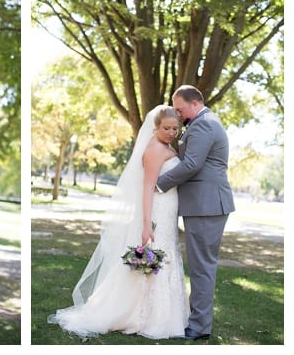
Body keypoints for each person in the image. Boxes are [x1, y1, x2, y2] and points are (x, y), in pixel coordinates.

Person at [47, 104, 189, 339]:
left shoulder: (165, 145)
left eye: (175, 128)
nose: (172, 133)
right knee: (155, 259)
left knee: (167, 256)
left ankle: (162, 313)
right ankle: (140, 314)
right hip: (156, 213)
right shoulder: (154, 149)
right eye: (167, 128)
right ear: (156, 126)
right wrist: (146, 224)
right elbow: (147, 189)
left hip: (167, 211)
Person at [156, 85, 235, 341]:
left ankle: (200, 326)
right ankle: (198, 321)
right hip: (205, 204)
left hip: (207, 205)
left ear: (194, 103)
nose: (178, 115)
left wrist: (159, 183)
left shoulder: (204, 125)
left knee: (202, 267)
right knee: (201, 265)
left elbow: (191, 164)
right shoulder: (204, 122)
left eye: (179, 109)